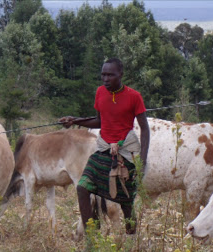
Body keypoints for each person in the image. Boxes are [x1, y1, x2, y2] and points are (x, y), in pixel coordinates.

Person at [60, 57, 150, 239]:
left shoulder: (134, 97)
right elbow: (99, 120)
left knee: (126, 203)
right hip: (103, 150)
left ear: (120, 75)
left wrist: (142, 159)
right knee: (83, 188)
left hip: (125, 153)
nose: (106, 79)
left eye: (110, 75)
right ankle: (91, 240)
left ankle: (132, 243)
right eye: (103, 75)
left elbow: (145, 128)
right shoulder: (100, 92)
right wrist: (74, 120)